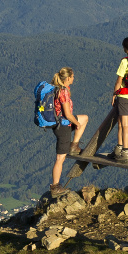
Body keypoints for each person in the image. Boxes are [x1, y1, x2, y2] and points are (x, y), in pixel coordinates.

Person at [49, 67, 88, 195]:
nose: (74, 78)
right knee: (60, 158)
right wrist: (76, 124)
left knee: (85, 118)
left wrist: (77, 122)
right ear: (68, 78)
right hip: (63, 127)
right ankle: (55, 186)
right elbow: (67, 114)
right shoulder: (63, 92)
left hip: (60, 124)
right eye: (73, 76)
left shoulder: (57, 89)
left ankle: (74, 145)